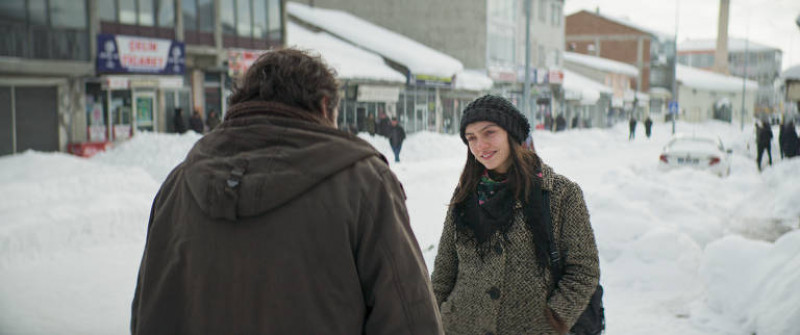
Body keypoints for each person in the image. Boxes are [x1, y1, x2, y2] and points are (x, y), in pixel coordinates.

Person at [131, 48, 444, 335]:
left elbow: (148, 313)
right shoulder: (363, 184)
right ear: (325, 107)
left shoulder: (177, 187)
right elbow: (412, 321)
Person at [431, 95, 600, 335]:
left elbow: (584, 270)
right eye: (472, 138)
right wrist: (434, 317)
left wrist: (556, 318)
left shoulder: (560, 194)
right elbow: (445, 271)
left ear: (511, 134)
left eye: (489, 133)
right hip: (460, 327)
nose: (480, 146)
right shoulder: (466, 194)